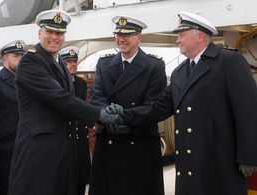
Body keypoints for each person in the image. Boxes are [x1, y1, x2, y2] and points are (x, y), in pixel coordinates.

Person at [109, 11, 257, 195]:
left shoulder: (229, 61)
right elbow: (159, 107)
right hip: (189, 163)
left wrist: (249, 156)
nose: (177, 40)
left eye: (181, 35)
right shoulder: (180, 72)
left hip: (220, 161)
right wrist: (123, 115)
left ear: (200, 36)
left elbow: (248, 110)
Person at [8, 10, 119, 195]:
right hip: (40, 154)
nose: (54, 37)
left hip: (62, 152)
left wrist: (102, 111)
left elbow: (71, 101)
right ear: (39, 33)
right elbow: (60, 98)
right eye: (49, 31)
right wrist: (98, 114)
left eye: (59, 33)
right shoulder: (30, 62)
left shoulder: (59, 63)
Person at [88, 16, 167, 195]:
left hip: (139, 140)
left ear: (140, 37)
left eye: (127, 34)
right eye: (118, 34)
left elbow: (154, 104)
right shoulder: (104, 63)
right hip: (109, 138)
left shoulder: (154, 66)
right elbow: (96, 95)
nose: (121, 39)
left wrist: (123, 116)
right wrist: (107, 115)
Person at [59, 46, 90, 195]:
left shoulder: (81, 83)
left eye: (74, 61)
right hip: (65, 137)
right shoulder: (56, 83)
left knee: (82, 177)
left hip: (81, 137)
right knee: (67, 180)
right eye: (68, 62)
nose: (73, 64)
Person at [0, 40, 25, 195]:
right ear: (4, 60)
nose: (21, 59)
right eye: (16, 56)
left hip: (25, 148)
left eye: (22, 55)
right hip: (5, 152)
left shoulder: (24, 81)